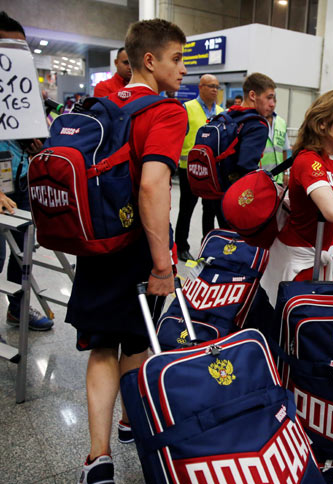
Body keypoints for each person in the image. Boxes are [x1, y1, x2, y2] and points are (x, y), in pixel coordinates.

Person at [69, 19, 188, 484]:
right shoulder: (164, 111)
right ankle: (129, 422)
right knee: (136, 343)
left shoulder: (99, 104)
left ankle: (98, 459)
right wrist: (163, 264)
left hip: (95, 242)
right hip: (136, 245)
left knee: (102, 345)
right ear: (150, 60)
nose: (183, 70)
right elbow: (153, 185)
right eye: (177, 59)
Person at [260, 89, 333, 304]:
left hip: (320, 256)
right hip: (298, 263)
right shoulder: (308, 160)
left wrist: (332, 244)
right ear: (322, 123)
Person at [0, 12, 54, 331]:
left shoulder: (23, 88)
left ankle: (18, 308)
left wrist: (37, 146)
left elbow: (33, 131)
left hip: (19, 181)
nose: (15, 56)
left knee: (22, 253)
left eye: (21, 49)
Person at [174, 74, 224, 261]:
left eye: (217, 87)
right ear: (200, 87)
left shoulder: (220, 111)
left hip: (212, 171)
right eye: (211, 85)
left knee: (210, 209)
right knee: (186, 209)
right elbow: (178, 138)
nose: (214, 89)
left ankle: (208, 244)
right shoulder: (187, 109)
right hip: (189, 169)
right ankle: (181, 246)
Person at [223, 73, 274, 189]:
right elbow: (246, 167)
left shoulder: (227, 116)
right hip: (234, 193)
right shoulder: (257, 125)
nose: (272, 104)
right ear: (252, 95)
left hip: (214, 189)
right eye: (269, 97)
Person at [260, 109, 290, 184]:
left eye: (273, 99)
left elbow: (284, 150)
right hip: (260, 177)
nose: (271, 104)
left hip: (278, 178)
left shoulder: (281, 122)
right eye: (268, 98)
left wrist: (285, 173)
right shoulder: (255, 121)